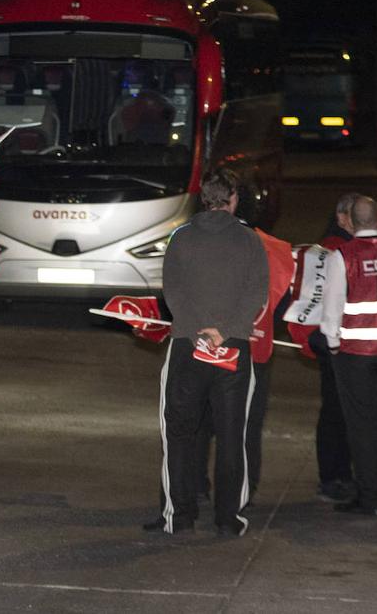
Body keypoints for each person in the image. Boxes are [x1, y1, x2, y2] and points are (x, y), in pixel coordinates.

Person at [144, 168, 268, 536]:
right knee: (233, 435)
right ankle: (228, 519)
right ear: (233, 200)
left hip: (186, 345)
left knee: (179, 433)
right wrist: (225, 331)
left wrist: (198, 329)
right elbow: (256, 293)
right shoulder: (249, 240)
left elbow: (172, 290)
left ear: (203, 198)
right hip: (232, 350)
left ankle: (179, 515)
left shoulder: (180, 238)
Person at [195, 185, 294, 504]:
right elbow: (284, 303)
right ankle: (242, 490)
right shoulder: (274, 248)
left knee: (200, 419)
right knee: (246, 423)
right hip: (255, 349)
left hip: (205, 345)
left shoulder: (191, 238)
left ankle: (195, 483)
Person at [320, 196, 377, 516]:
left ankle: (370, 496)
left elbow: (332, 308)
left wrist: (333, 345)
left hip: (355, 354)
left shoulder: (342, 255)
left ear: (352, 223)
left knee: (361, 427)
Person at [291, 193, 360, 503]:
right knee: (338, 412)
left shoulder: (329, 248)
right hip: (339, 345)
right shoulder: (333, 251)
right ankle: (336, 476)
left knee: (337, 411)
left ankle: (337, 475)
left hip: (338, 343)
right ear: (343, 218)